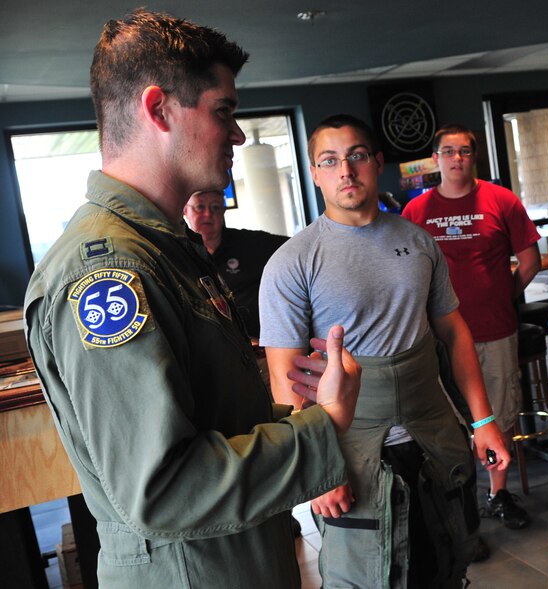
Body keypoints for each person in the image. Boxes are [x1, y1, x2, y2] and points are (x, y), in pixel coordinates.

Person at [22, 9, 360, 589]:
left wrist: (292, 416)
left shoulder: (164, 247)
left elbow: (209, 425)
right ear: (159, 109)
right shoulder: (107, 271)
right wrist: (322, 428)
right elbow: (164, 489)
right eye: (223, 111)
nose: (239, 134)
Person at [259, 114, 511, 588]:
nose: (345, 172)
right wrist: (319, 468)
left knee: (447, 562)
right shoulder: (292, 262)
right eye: (329, 161)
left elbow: (454, 332)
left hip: (433, 437)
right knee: (370, 575)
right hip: (352, 455)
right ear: (314, 174)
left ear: (377, 163)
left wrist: (483, 421)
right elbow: (285, 377)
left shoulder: (417, 241)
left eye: (355, 156)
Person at [402, 124, 540, 534]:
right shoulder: (416, 212)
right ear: (436, 159)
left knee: (501, 412)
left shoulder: (502, 200)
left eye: (464, 151)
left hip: (495, 329)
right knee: (449, 419)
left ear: (473, 156)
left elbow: (529, 261)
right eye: (448, 151)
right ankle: (460, 501)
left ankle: (498, 494)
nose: (456, 158)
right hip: (438, 338)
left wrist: (502, 294)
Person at [183, 189, 287, 338]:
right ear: (185, 210)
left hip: (261, 344)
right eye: (200, 207)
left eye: (215, 207)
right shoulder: (179, 252)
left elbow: (296, 249)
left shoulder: (250, 244)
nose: (207, 214)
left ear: (223, 211)